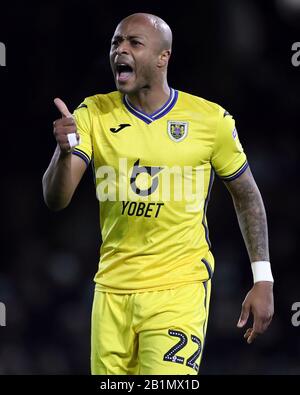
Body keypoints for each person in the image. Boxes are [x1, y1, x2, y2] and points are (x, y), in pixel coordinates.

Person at [42, 13, 274, 375]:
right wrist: (65, 151)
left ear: (162, 57)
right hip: (111, 292)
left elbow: (247, 197)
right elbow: (56, 199)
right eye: (116, 42)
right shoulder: (93, 113)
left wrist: (263, 279)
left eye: (134, 43)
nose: (121, 49)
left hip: (177, 288)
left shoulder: (209, 121)